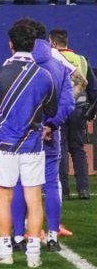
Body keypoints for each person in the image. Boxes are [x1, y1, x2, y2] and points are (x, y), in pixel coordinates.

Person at [0, 21, 59, 268]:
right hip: (33, 145)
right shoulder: (45, 76)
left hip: (5, 144)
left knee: (4, 198)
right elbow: (52, 110)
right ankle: (33, 254)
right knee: (34, 198)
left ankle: (5, 251)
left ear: (10, 44)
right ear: (34, 44)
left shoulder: (0, 73)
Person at [9, 21, 74, 255]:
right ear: (47, 40)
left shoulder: (17, 63)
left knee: (19, 182)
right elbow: (68, 102)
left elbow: (11, 101)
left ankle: (19, 237)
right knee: (51, 183)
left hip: (23, 133)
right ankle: (53, 236)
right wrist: (50, 125)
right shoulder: (59, 65)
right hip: (50, 135)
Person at [51, 29, 97, 199]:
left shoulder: (52, 60)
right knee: (78, 149)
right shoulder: (82, 60)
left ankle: (64, 191)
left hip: (59, 110)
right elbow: (93, 88)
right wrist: (92, 111)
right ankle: (83, 190)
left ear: (53, 43)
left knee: (60, 148)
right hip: (79, 110)